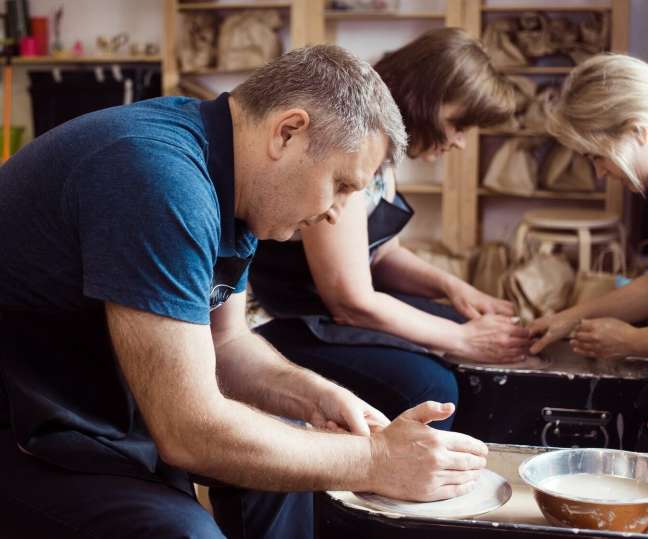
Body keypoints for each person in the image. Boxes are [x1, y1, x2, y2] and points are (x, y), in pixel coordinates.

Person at [0, 45, 491, 539]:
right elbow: (188, 432)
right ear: (288, 132)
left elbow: (226, 341)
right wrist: (375, 460)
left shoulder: (234, 180)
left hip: (92, 406)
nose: (337, 214)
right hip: (26, 427)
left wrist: (315, 397)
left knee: (295, 462)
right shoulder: (157, 175)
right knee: (187, 532)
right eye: (341, 185)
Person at [250, 28, 531, 433]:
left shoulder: (383, 146)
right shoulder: (352, 141)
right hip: (278, 316)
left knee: (452, 325)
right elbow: (352, 301)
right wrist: (462, 339)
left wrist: (454, 288)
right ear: (425, 99)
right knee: (432, 384)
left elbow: (381, 254)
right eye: (458, 125)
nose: (460, 143)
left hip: (325, 307)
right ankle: (406, 484)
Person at [529, 53, 648, 455]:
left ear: (638, 131)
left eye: (597, 155)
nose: (599, 172)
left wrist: (635, 341)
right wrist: (565, 319)